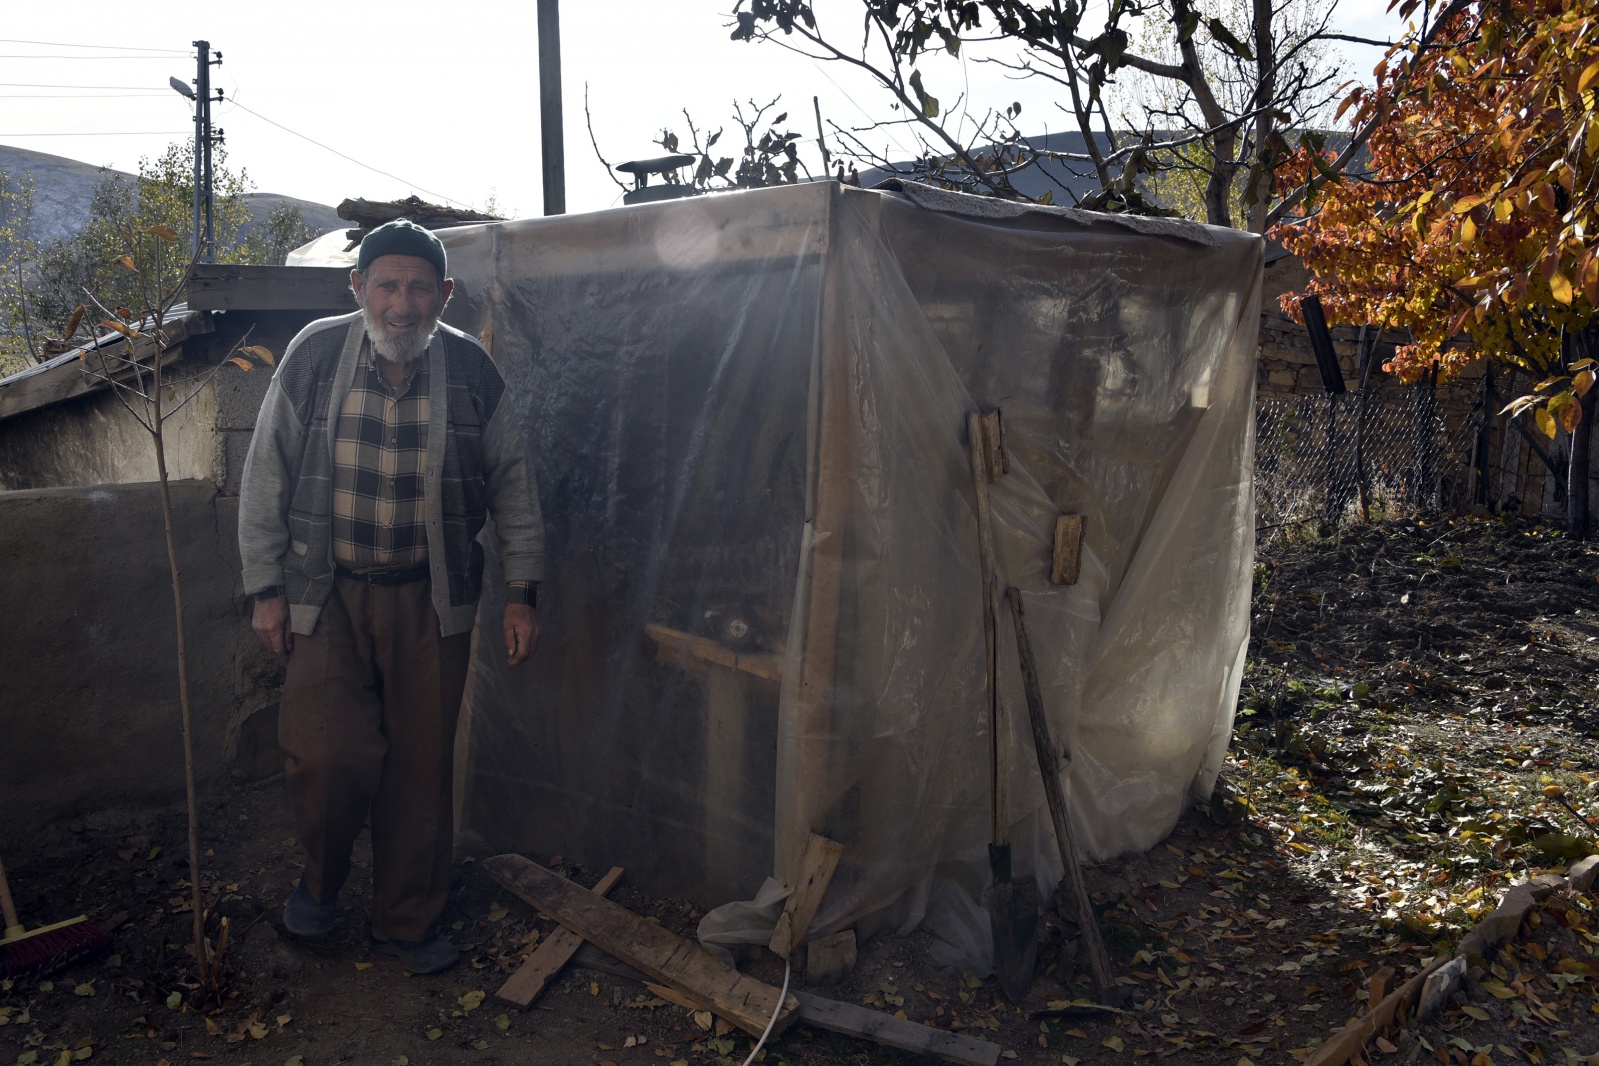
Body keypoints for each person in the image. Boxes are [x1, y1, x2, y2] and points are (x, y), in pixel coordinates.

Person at [238, 218, 544, 974]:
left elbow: (513, 484)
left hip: (430, 600)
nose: (402, 304)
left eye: (418, 287)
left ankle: (406, 920)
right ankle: (321, 882)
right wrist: (265, 588)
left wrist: (521, 589)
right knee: (324, 756)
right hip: (328, 594)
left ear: (443, 293)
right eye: (387, 285)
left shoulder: (472, 371)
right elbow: (266, 474)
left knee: (420, 768)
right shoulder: (314, 354)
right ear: (358, 288)